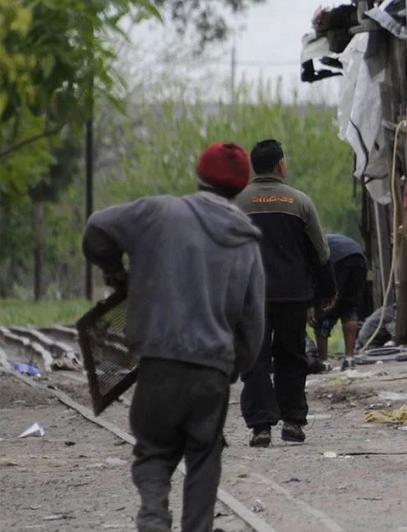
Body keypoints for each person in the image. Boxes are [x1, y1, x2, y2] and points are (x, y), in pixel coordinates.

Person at [82, 143, 265, 532]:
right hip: (213, 369)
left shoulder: (158, 213)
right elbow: (253, 322)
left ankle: (152, 516)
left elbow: (96, 228)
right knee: (205, 455)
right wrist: (235, 368)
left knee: (153, 453)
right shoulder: (248, 244)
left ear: (198, 176)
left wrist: (116, 273)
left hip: (158, 364)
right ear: (240, 188)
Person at [235, 139, 337, 447]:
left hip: (251, 297)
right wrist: (326, 290)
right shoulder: (300, 202)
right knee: (291, 357)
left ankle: (261, 427)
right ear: (281, 165)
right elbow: (320, 251)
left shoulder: (236, 204)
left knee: (255, 360)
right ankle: (292, 422)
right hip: (292, 295)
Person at [309, 233, 367, 372]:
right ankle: (349, 359)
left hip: (338, 261)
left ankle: (324, 361)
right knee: (350, 308)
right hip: (358, 258)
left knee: (325, 309)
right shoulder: (323, 240)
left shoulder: (305, 250)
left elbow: (312, 280)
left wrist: (312, 305)